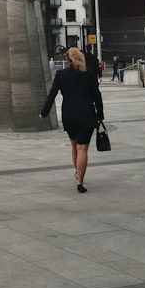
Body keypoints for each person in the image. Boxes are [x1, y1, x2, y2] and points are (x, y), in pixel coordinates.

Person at [39, 46, 103, 193]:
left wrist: (44, 112)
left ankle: (77, 172)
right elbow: (97, 96)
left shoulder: (61, 74)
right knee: (83, 148)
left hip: (69, 115)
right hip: (87, 113)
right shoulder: (89, 73)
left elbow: (52, 95)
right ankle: (80, 181)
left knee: (74, 146)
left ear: (67, 59)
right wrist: (100, 114)